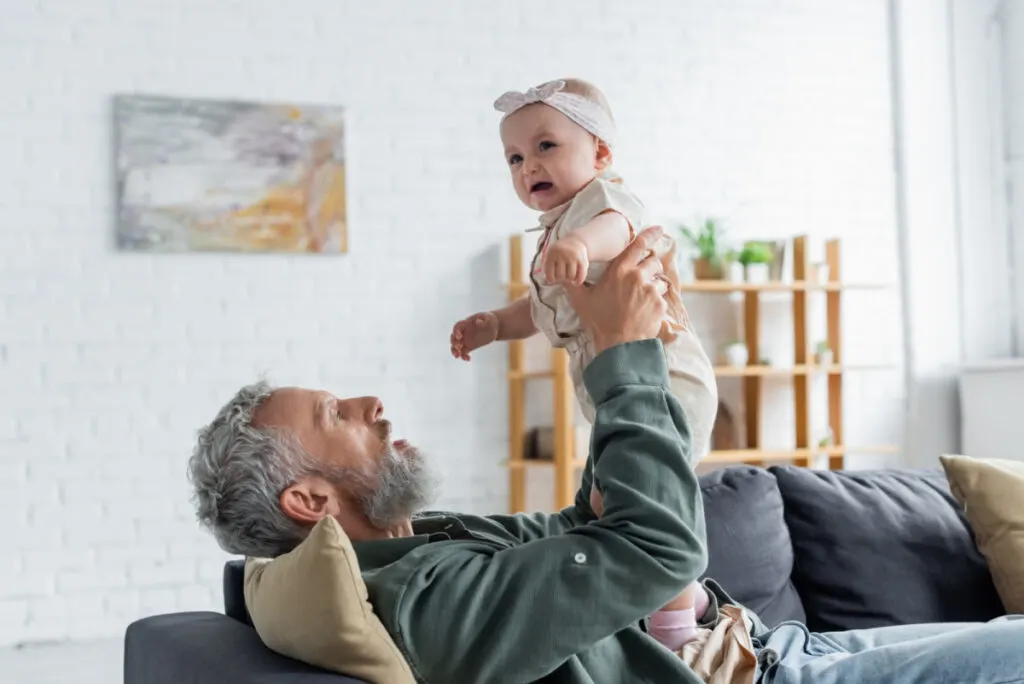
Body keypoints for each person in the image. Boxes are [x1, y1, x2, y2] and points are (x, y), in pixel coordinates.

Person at [189, 226, 1024, 683]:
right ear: (309, 501)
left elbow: (582, 523)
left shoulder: (426, 541)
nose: (372, 405)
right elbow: (657, 550)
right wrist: (622, 357)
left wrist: (614, 352)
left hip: (758, 644)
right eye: (337, 414)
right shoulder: (420, 603)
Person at [449, 77, 715, 645]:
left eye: (546, 147)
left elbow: (618, 228)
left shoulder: (602, 204)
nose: (528, 167)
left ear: (600, 153)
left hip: (665, 379)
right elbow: (543, 307)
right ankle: (685, 603)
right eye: (515, 158)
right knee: (603, 510)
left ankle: (676, 630)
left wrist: (581, 247)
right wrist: (496, 324)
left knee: (648, 506)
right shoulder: (554, 232)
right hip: (614, 391)